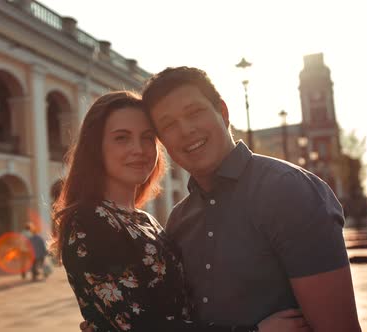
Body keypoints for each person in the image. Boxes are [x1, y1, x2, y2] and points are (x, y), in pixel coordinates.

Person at [53, 91, 309, 332]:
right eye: (122, 137)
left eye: (147, 138)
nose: (139, 149)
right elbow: (143, 326)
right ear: (95, 148)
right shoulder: (89, 221)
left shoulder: (143, 220)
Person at [140, 67, 361, 332]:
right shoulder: (178, 220)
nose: (186, 130)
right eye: (169, 125)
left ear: (223, 112)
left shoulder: (289, 191)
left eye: (194, 112)